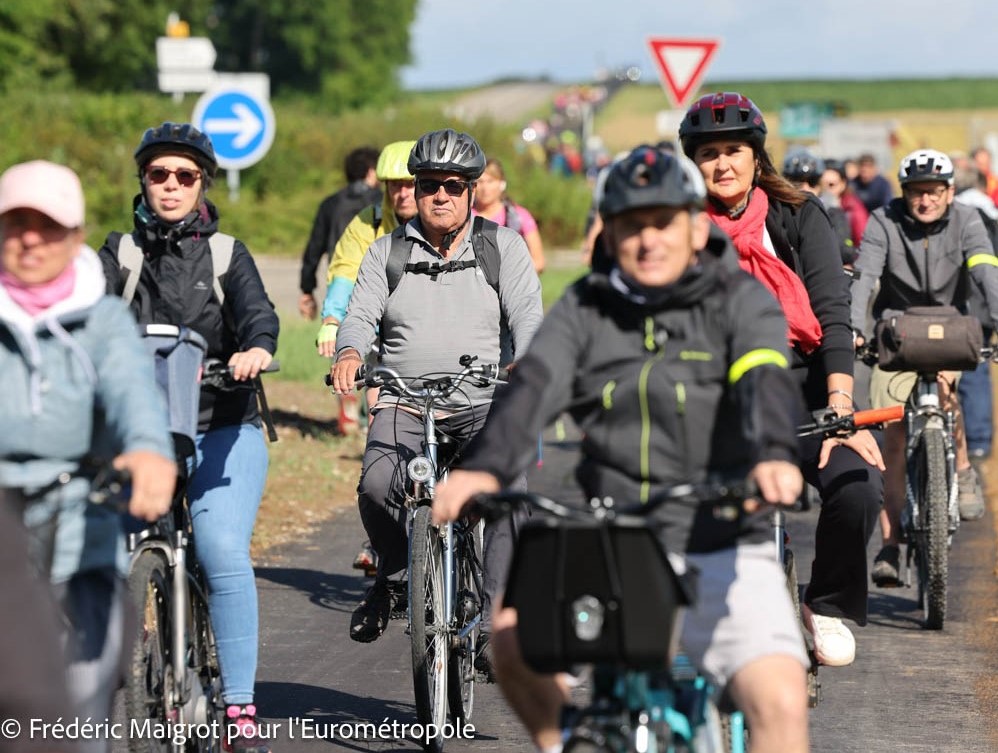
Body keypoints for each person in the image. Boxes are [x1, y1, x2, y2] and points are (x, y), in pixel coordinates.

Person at [432, 145, 810, 753]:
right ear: (610, 231)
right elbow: (533, 388)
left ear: (694, 225)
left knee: (780, 699)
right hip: (612, 539)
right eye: (631, 224)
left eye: (662, 221)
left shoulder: (739, 301)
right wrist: (484, 470)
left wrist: (771, 452)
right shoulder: (586, 307)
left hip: (720, 537)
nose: (648, 239)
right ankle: (567, 741)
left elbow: (765, 378)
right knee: (509, 639)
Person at [679, 92, 886, 668]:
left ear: (756, 156)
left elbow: (834, 317)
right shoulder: (678, 227)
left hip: (809, 388)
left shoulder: (799, 215)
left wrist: (841, 408)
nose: (722, 164)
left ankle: (822, 602)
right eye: (709, 154)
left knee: (858, 486)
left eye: (734, 151)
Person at [98, 123, 280, 753]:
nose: (170, 186)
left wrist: (255, 349)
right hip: (142, 432)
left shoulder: (227, 254)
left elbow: (259, 313)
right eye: (158, 175)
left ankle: (238, 708)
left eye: (184, 176)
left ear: (202, 183)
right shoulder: (119, 253)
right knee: (102, 550)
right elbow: (86, 315)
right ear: (142, 181)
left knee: (222, 550)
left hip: (224, 423)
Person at [328, 129, 543, 648]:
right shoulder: (386, 253)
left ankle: (495, 619)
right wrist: (351, 352)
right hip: (405, 398)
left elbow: (529, 317)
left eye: (452, 185)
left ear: (472, 190)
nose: (439, 196)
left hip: (482, 401)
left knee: (507, 495)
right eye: (428, 186)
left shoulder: (502, 247)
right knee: (378, 486)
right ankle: (396, 576)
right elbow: (359, 316)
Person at [0, 160, 175, 752]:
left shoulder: (101, 320)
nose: (28, 238)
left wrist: (149, 452)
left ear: (74, 237)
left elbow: (132, 392)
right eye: (14, 223)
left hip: (80, 516)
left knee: (81, 695)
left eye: (45, 226)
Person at [851, 149, 998, 583]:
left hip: (950, 330)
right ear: (905, 193)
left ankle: (964, 469)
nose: (926, 201)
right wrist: (853, 328)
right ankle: (891, 545)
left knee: (948, 397)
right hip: (895, 334)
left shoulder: (968, 222)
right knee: (893, 439)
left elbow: (986, 272)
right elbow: (864, 278)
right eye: (917, 192)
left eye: (935, 192)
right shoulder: (884, 221)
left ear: (950, 192)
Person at [315, 140, 417, 436]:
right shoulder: (368, 222)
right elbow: (347, 268)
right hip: (381, 327)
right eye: (394, 186)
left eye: (410, 185)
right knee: (380, 419)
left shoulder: (439, 219)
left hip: (428, 325)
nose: (402, 193)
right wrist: (332, 319)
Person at [298, 146, 381, 319]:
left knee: (339, 335)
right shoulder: (383, 202)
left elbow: (313, 249)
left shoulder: (330, 203)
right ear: (372, 171)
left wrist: (307, 289)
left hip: (340, 283)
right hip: (378, 283)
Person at [783, 149, 856, 267]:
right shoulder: (775, 211)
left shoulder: (832, 211)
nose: (805, 188)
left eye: (812, 182)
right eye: (797, 182)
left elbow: (845, 251)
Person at [473, 158, 546, 273]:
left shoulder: (519, 216)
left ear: (502, 184)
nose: (485, 188)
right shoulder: (465, 216)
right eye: (480, 182)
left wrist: (512, 274)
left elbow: (539, 262)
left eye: (490, 181)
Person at [821, 159, 869, 248]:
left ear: (843, 184)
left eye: (831, 185)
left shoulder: (853, 210)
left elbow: (863, 245)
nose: (826, 190)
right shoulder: (813, 208)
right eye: (821, 185)